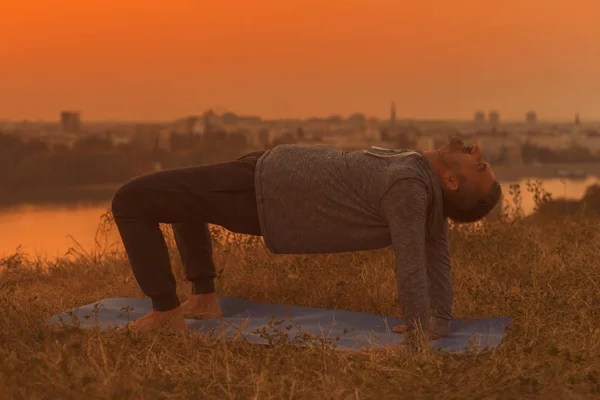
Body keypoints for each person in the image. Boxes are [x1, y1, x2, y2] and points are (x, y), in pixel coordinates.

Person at [111, 137, 501, 340]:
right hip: (261, 173)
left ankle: (165, 313)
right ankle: (203, 298)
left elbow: (416, 260)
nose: (473, 150)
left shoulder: (411, 188)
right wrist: (441, 323)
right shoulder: (420, 180)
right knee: (181, 198)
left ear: (452, 180)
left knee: (129, 200)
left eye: (478, 164)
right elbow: (439, 256)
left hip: (261, 191)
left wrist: (418, 332)